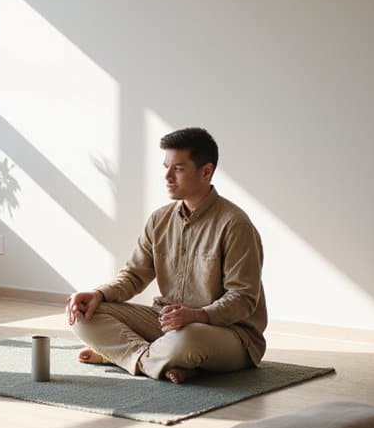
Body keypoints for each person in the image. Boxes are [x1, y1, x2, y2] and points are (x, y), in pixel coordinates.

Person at [65, 127, 268, 384]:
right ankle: (155, 361)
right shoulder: (159, 219)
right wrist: (98, 294)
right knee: (83, 315)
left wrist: (197, 315)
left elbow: (243, 299)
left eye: (179, 169)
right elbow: (133, 276)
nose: (168, 176)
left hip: (228, 333)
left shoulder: (235, 225)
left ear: (206, 171)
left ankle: (122, 356)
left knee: (187, 339)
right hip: (167, 325)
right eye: (166, 167)